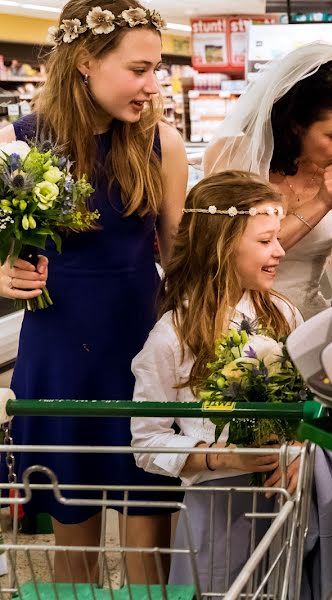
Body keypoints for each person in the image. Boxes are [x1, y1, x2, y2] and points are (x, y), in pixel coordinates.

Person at [0, 0, 187, 584]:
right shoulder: (19, 144)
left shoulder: (162, 144)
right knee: (72, 550)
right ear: (85, 62)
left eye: (157, 70)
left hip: (143, 354)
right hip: (61, 359)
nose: (152, 85)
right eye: (138, 69)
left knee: (149, 545)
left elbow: (179, 259)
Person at [130, 171, 332, 597]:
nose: (280, 251)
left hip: (285, 495)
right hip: (216, 510)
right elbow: (148, 441)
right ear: (221, 246)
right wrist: (224, 458)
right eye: (266, 240)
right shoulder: (171, 338)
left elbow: (311, 399)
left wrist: (300, 446)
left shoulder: (283, 314)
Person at [204, 44, 332, 320]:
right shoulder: (231, 157)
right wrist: (322, 202)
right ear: (295, 125)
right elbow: (223, 255)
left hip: (307, 319)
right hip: (233, 325)